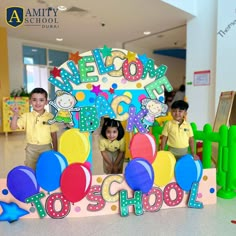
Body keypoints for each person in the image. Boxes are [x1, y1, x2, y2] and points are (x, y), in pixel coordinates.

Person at [10, 87, 59, 170]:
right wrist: (15, 115)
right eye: (34, 100)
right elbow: (13, 127)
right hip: (31, 149)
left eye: (41, 100)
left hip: (46, 147)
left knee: (45, 167)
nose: (37, 103)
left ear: (46, 102)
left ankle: (43, 182)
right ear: (30, 102)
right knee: (31, 168)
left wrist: (55, 150)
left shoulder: (50, 117)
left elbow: (54, 135)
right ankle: (32, 182)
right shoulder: (26, 116)